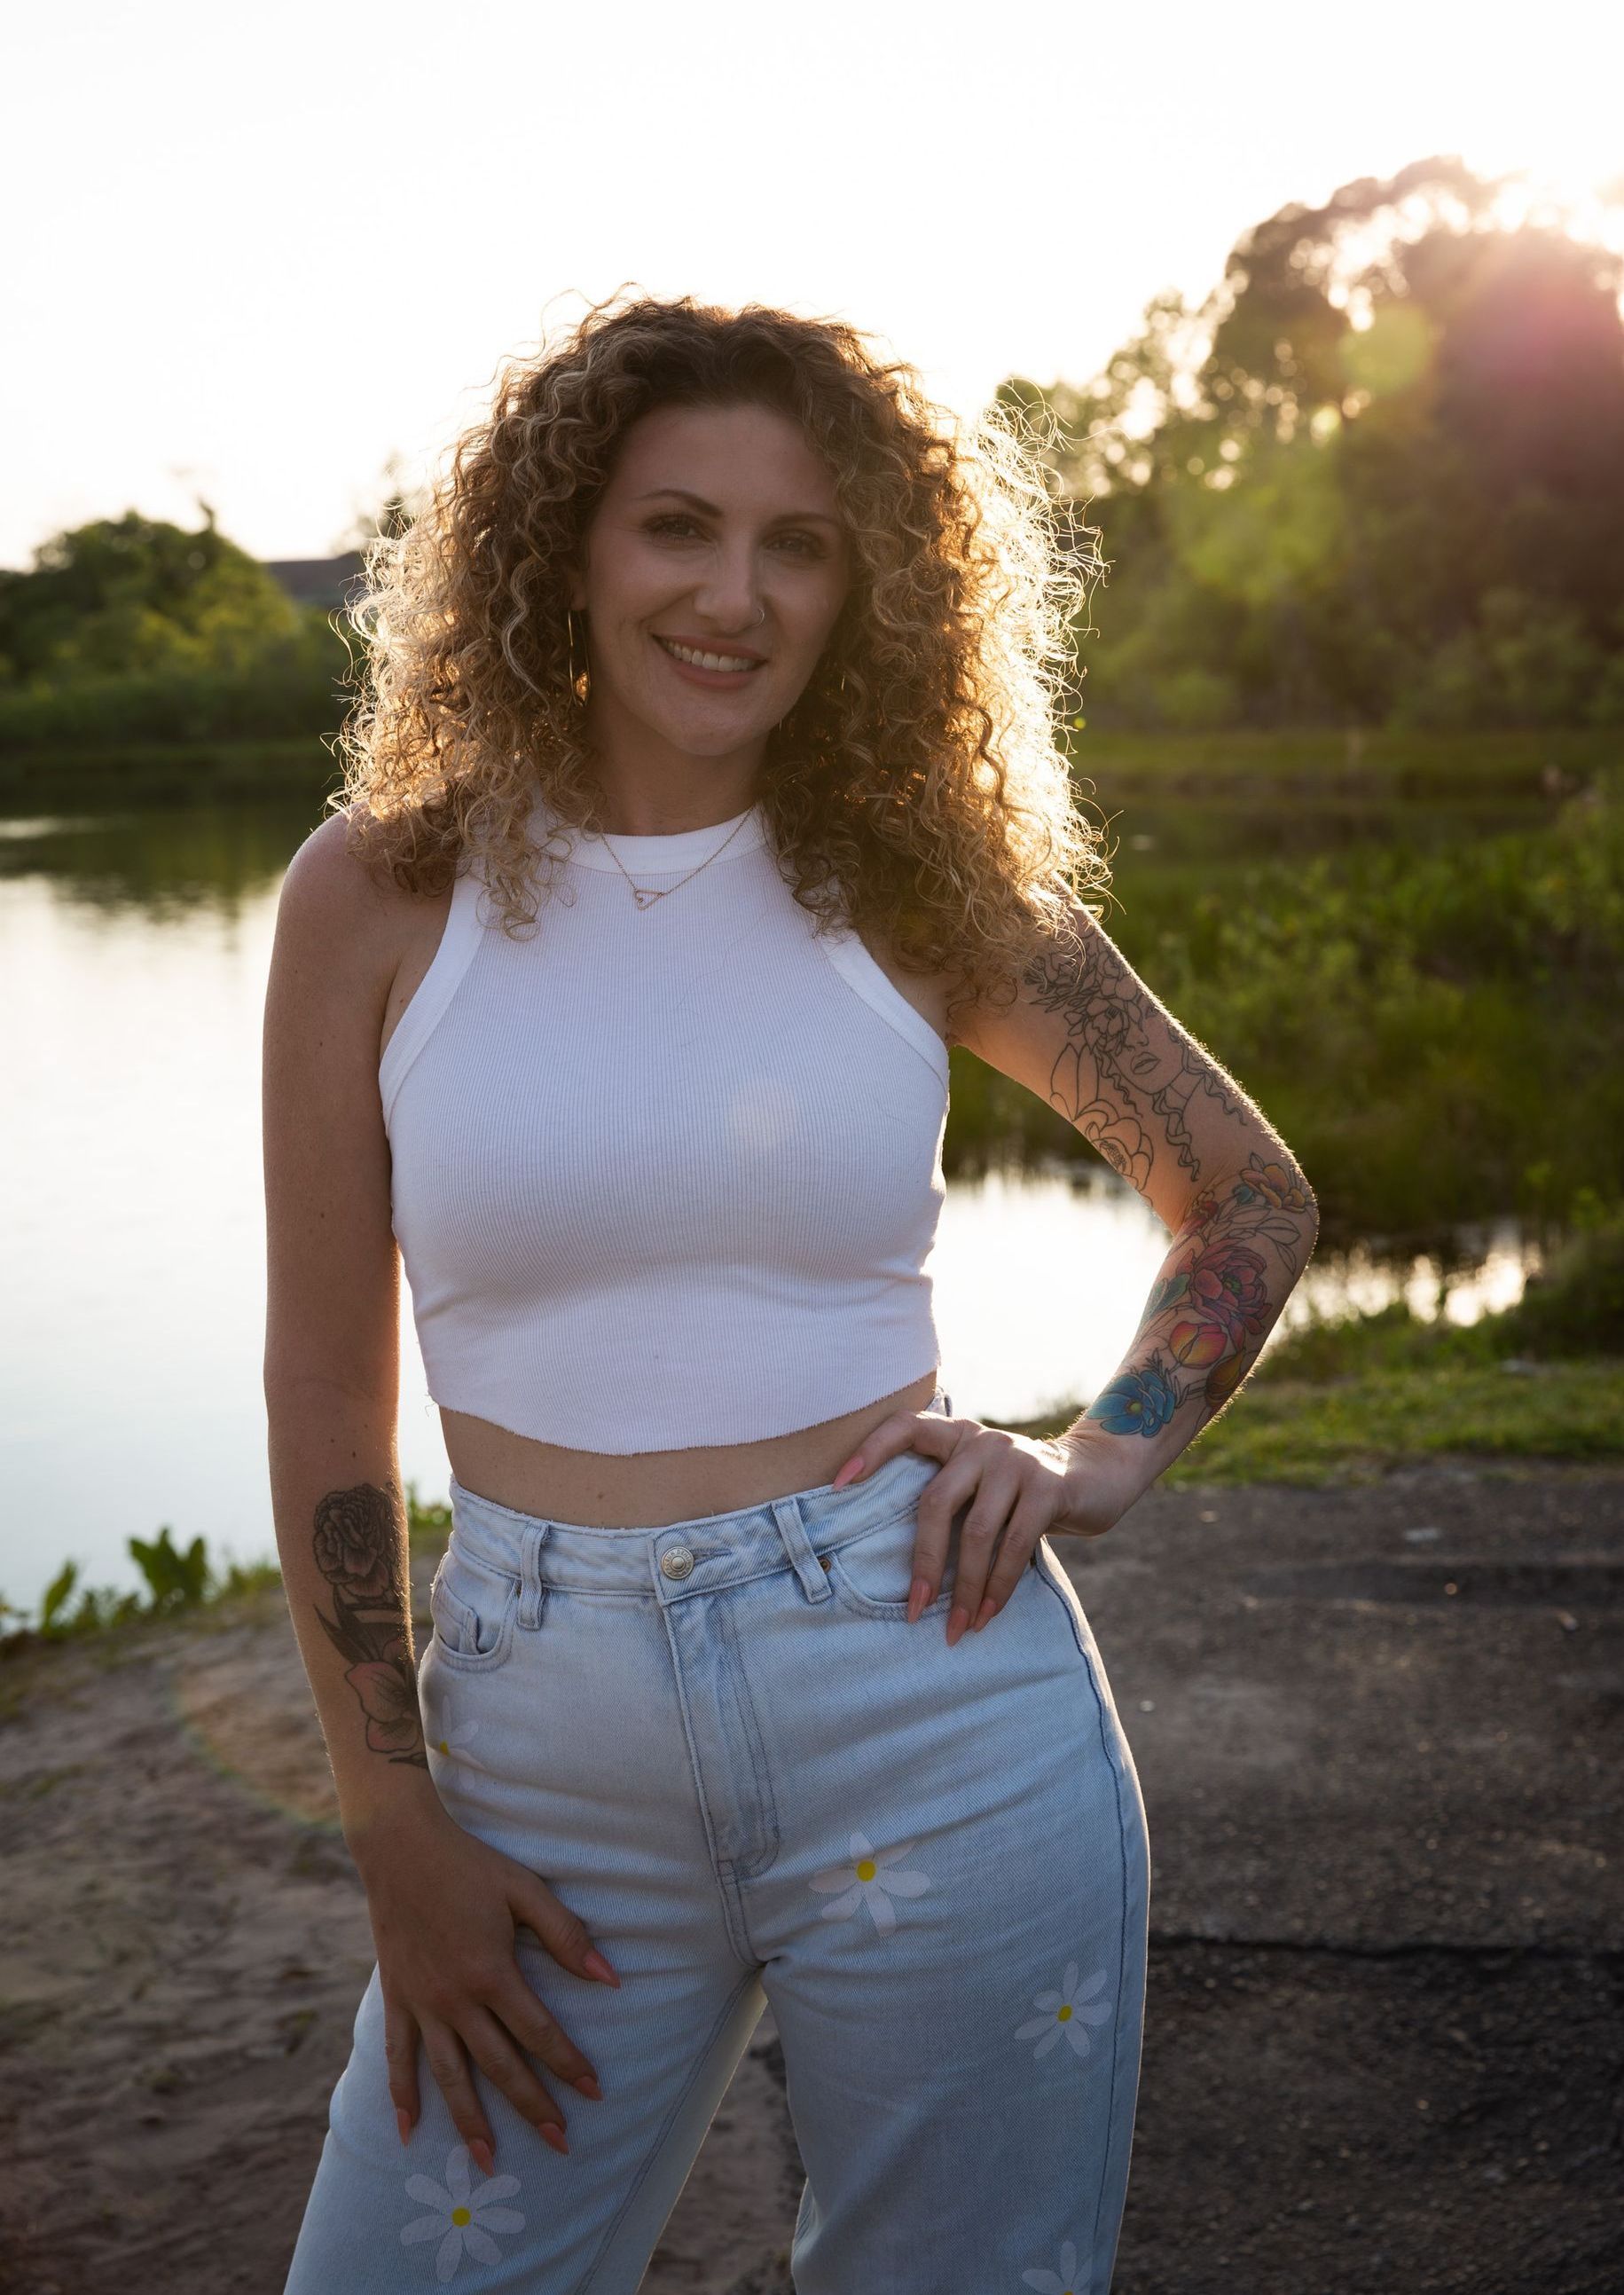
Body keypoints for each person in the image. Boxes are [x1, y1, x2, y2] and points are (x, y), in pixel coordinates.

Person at [263, 291, 1319, 2294]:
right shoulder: (380, 893)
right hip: (536, 1719)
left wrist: (1090, 1464)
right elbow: (327, 1387)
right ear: (565, 541)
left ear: (864, 587)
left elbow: (1242, 1197)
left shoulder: (918, 886)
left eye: (797, 542)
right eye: (678, 525)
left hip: (924, 1684)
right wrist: (395, 1831)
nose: (732, 593)